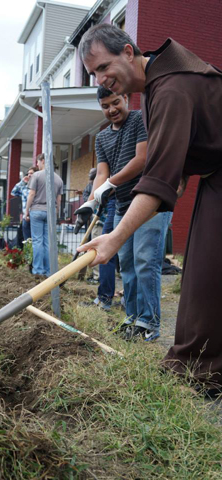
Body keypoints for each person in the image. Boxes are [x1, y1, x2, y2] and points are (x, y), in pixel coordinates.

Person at [77, 24, 222, 395]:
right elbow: (179, 160)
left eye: (104, 67)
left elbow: (156, 179)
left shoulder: (170, 88)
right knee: (200, 279)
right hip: (213, 179)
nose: (102, 79)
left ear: (128, 52)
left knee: (206, 277)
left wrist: (113, 238)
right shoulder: (157, 86)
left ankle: (200, 372)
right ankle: (197, 367)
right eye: (94, 73)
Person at [77, 86, 171, 337]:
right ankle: (132, 319)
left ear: (126, 98)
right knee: (127, 264)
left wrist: (110, 184)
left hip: (150, 202)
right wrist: (91, 202)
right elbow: (102, 173)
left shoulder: (141, 119)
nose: (112, 109)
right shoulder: (102, 137)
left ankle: (149, 323)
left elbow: (141, 159)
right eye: (105, 106)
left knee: (145, 261)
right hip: (121, 206)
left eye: (116, 102)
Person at [24, 153, 63, 276]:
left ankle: (38, 270)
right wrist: (56, 213)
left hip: (36, 210)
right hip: (50, 213)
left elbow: (31, 194)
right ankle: (48, 271)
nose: (37, 164)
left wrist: (26, 211)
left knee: (37, 241)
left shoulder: (36, 175)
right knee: (47, 242)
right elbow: (59, 200)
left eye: (38, 162)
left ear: (43, 161)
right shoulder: (58, 179)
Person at [11, 166, 37, 240]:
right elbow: (13, 192)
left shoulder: (38, 186)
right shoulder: (24, 187)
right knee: (27, 239)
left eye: (31, 173)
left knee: (36, 238)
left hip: (35, 215)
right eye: (28, 173)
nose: (29, 175)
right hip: (26, 217)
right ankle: (28, 250)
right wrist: (22, 182)